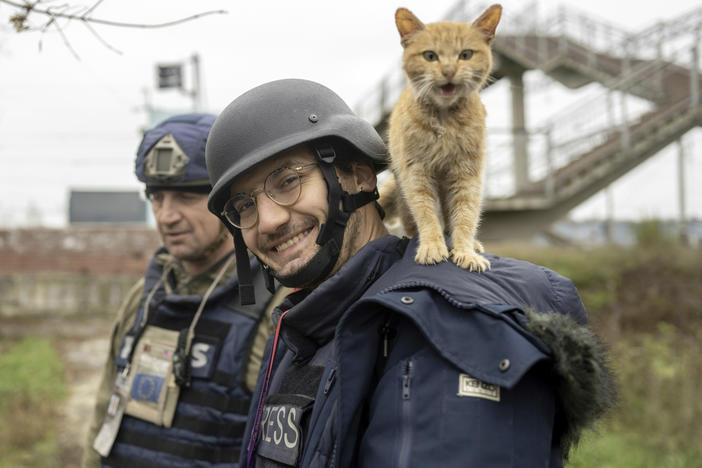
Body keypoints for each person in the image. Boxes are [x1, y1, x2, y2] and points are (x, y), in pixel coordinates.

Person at [205, 79, 615, 468]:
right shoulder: (304, 328)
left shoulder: (448, 330)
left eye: (288, 181)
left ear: (360, 175)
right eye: (244, 206)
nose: (269, 220)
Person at [82, 113, 285, 468]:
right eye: (156, 198)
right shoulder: (143, 298)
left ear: (230, 199)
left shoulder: (279, 306)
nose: (165, 215)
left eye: (187, 197)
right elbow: (104, 417)